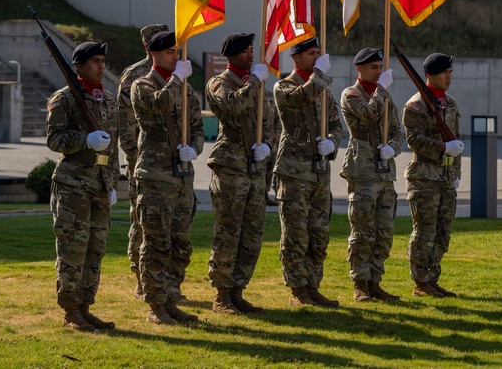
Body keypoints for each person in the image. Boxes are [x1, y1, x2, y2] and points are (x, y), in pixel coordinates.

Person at [130, 31, 204, 325]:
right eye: (169, 52)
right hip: (156, 175)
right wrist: (176, 80)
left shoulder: (185, 88)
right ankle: (155, 304)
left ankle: (171, 298)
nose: (175, 57)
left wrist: (194, 148)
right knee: (156, 243)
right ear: (154, 54)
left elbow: (197, 127)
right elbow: (158, 105)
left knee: (180, 243)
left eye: (177, 52)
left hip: (182, 175)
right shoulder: (142, 85)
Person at [45, 41, 119, 332]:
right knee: (73, 250)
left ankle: (85, 307)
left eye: (103, 61)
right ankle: (70, 310)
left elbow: (111, 147)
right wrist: (84, 140)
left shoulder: (107, 99)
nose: (101, 66)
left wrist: (111, 182)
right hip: (73, 185)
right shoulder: (64, 98)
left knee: (94, 250)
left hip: (99, 186)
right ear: (79, 67)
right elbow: (54, 140)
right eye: (95, 62)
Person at [205, 32, 273, 315]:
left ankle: (238, 290)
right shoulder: (219, 82)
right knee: (229, 231)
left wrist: (267, 145)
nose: (250, 54)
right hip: (231, 165)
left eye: (251, 49)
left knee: (252, 232)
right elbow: (232, 105)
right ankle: (221, 294)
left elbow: (270, 120)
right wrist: (254, 81)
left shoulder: (257, 84)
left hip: (255, 168)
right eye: (245, 50)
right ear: (231, 54)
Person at [273, 36, 343, 308]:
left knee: (319, 233)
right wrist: (320, 76)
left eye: (318, 53)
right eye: (311, 53)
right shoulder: (284, 86)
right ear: (296, 58)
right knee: (296, 234)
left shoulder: (324, 90)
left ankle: (313, 286)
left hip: (319, 171)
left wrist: (332, 142)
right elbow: (299, 99)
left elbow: (336, 125)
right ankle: (298, 289)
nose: (316, 57)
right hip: (294, 170)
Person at [340, 47, 402, 302]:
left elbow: (397, 130)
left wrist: (393, 148)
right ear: (360, 69)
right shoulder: (351, 94)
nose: (378, 72)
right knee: (363, 231)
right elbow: (368, 114)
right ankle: (360, 284)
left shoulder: (384, 95)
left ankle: (375, 281)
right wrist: (382, 90)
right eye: (373, 67)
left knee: (384, 231)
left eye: (380, 67)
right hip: (363, 169)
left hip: (385, 172)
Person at [402, 52, 464, 298]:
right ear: (429, 75)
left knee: (442, 231)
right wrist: (442, 148)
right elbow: (414, 140)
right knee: (424, 231)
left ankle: (432, 278)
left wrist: (456, 171)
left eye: (450, 72)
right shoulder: (416, 105)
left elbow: (455, 140)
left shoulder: (450, 104)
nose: (448, 77)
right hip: (424, 177)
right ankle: (420, 282)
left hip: (446, 176)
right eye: (444, 73)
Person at [116, 23, 169, 299]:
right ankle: (140, 277)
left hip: (169, 158)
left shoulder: (174, 70)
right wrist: (132, 155)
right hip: (143, 157)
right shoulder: (135, 75)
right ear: (148, 45)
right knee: (141, 218)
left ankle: (165, 280)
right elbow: (125, 120)